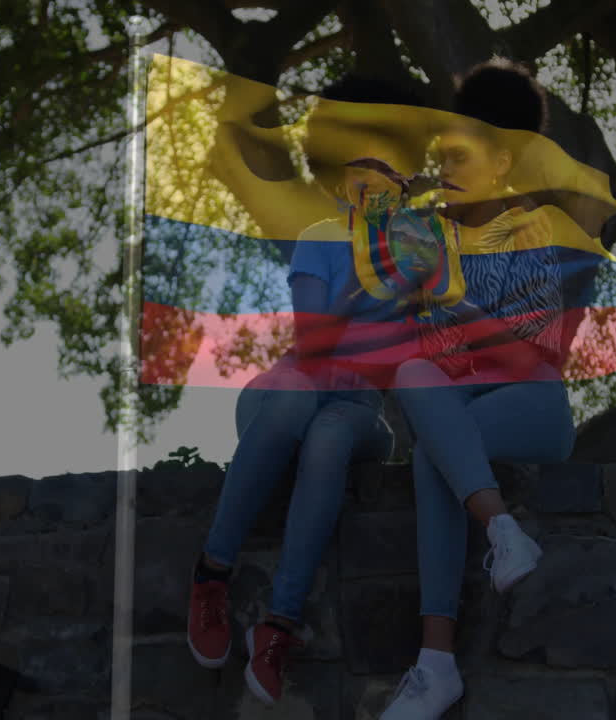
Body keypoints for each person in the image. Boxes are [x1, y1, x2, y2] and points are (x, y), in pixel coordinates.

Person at [186, 74, 431, 706]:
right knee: (300, 404)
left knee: (331, 436)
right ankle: (212, 575)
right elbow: (314, 342)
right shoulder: (321, 238)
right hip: (288, 390)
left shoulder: (419, 251)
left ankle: (280, 624)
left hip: (358, 409)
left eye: (387, 167)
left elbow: (414, 358)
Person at [379, 58, 581, 720]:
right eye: (445, 153)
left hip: (532, 405)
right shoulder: (423, 234)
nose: (446, 167)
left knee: (438, 450)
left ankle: (437, 662)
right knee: (419, 392)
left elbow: (530, 357)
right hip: (455, 407)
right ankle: (500, 534)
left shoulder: (529, 233)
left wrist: (453, 301)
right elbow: (405, 355)